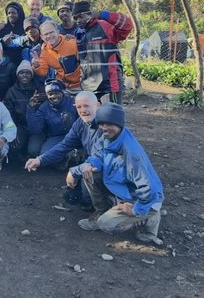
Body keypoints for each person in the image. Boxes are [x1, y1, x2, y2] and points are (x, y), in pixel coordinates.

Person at [67, 103, 164, 245]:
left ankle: (149, 216)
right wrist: (76, 170)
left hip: (143, 198)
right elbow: (98, 155)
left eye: (109, 123)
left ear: (119, 124)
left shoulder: (131, 153)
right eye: (101, 123)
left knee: (106, 224)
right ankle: (102, 210)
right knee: (89, 172)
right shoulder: (108, 137)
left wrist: (136, 209)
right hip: (124, 190)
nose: (104, 128)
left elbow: (148, 187)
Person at [25, 91, 103, 209]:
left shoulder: (106, 125)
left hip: (108, 167)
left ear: (97, 105)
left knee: (90, 195)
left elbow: (104, 157)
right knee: (80, 195)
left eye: (86, 105)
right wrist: (40, 160)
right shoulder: (80, 123)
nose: (83, 110)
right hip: (90, 163)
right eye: (79, 107)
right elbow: (64, 145)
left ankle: (107, 209)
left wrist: (75, 171)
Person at [72, 1, 133, 103]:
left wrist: (102, 14)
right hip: (89, 87)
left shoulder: (104, 26)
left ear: (90, 14)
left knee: (111, 117)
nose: (78, 21)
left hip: (109, 86)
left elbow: (127, 25)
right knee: (93, 118)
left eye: (81, 16)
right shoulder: (78, 34)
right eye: (75, 18)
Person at [26, 79, 78, 159]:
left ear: (62, 93)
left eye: (56, 93)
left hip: (74, 136)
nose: (54, 96)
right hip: (56, 136)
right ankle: (66, 157)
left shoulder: (73, 103)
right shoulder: (44, 107)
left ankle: (73, 154)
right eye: (50, 94)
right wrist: (31, 109)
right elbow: (36, 130)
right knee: (44, 154)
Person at [3, 60, 45, 158]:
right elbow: (8, 114)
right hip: (21, 126)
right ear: (17, 75)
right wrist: (12, 131)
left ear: (32, 75)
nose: (24, 75)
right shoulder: (11, 91)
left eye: (27, 73)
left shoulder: (40, 89)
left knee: (33, 151)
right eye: (21, 73)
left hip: (37, 127)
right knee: (14, 146)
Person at [33, 20, 81, 92]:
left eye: (51, 32)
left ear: (58, 32)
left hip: (81, 84)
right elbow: (43, 72)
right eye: (46, 34)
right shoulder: (45, 51)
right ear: (42, 37)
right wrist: (37, 66)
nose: (49, 36)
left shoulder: (72, 43)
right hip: (62, 86)